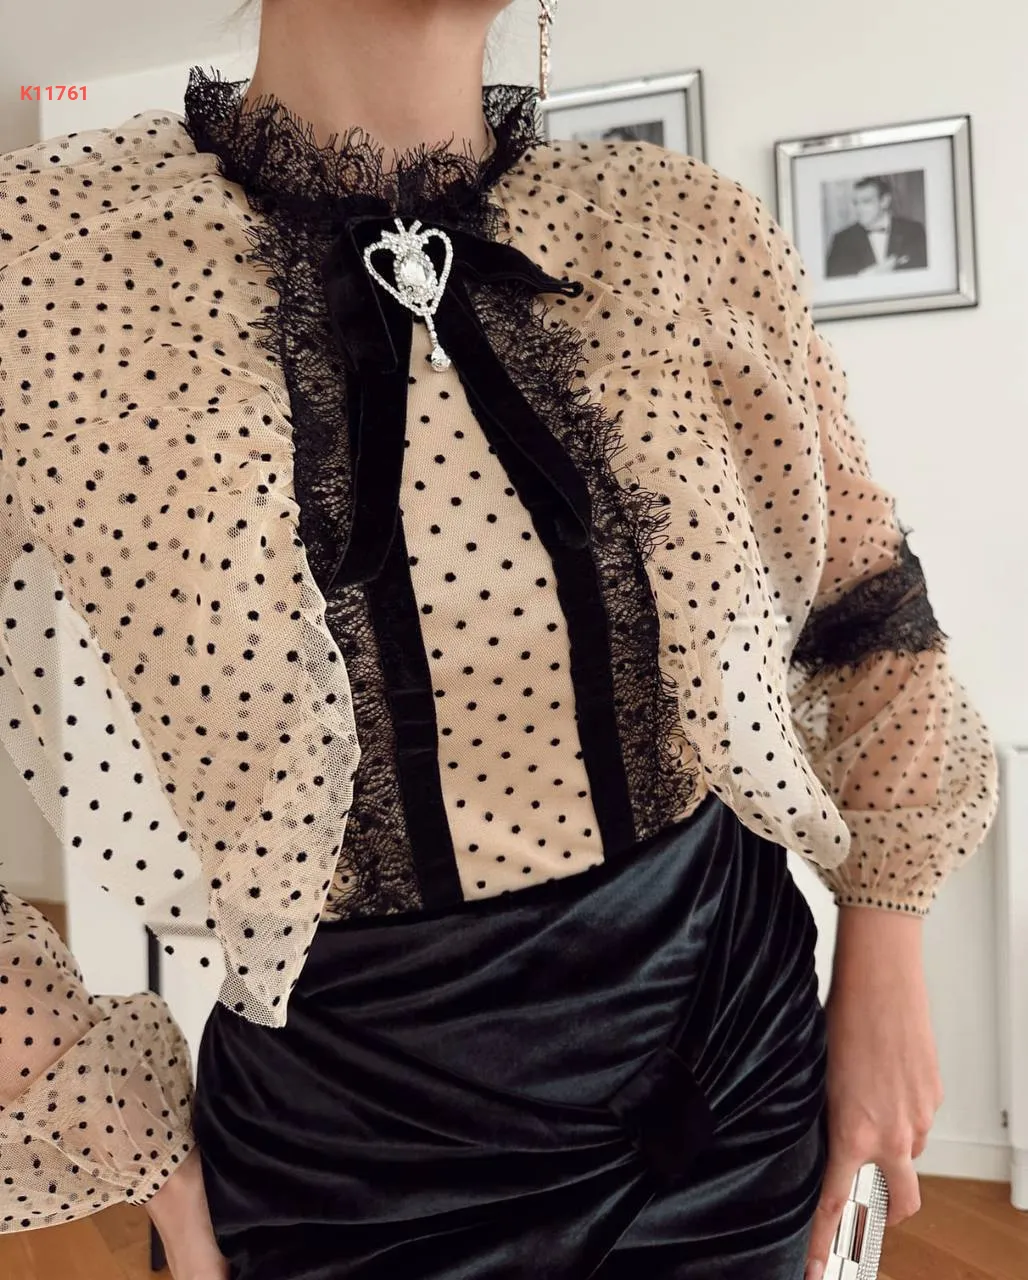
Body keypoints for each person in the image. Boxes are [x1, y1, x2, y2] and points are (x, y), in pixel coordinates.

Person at [0, 3, 998, 1279]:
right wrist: (135, 1142)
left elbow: (866, 607)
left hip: (728, 1074)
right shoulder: (50, 259)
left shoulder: (681, 225)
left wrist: (884, 957)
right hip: (350, 1153)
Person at [825, 175, 929, 278]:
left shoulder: (914, 231)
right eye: (856, 203)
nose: (858, 209)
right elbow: (833, 282)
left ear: (884, 201)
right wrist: (867, 275)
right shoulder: (842, 240)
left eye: (866, 201)